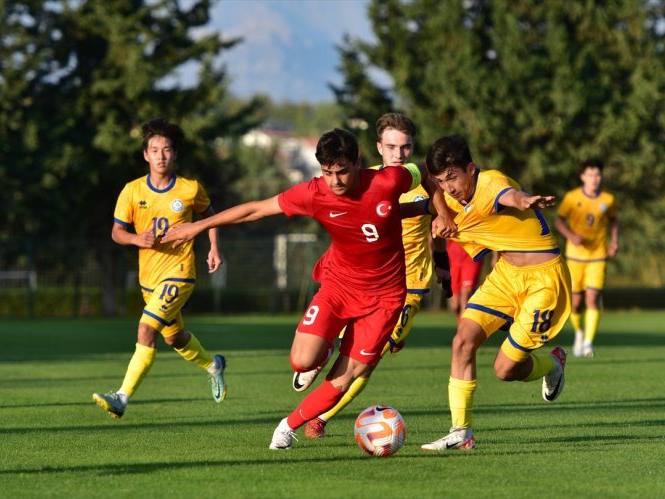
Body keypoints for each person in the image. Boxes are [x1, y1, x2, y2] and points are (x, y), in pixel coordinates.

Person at [162, 128, 450, 450]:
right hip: (339, 285)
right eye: (328, 173)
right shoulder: (314, 193)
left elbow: (427, 171)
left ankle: (287, 427)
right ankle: (324, 350)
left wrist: (440, 210)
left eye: (342, 171)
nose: (336, 181)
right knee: (301, 360)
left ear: (358, 163)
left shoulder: (388, 180)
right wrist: (199, 226)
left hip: (385, 298)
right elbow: (256, 209)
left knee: (347, 376)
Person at [302, 112, 451, 439]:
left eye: (407, 147)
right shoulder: (360, 180)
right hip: (359, 281)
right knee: (355, 354)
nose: (400, 154)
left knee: (371, 358)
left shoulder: (421, 181)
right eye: (393, 147)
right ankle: (323, 355)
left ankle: (321, 417)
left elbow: (438, 224)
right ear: (379, 147)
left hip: (408, 285)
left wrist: (443, 263)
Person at [418, 133, 571, 452]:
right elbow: (426, 183)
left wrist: (525, 201)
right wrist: (442, 253)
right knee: (462, 341)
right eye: (442, 182)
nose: (449, 187)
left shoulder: (490, 183)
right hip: (506, 275)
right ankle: (461, 432)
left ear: (470, 169)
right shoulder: (446, 197)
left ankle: (553, 365)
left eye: (453, 178)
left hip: (544, 281)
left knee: (505, 370)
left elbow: (509, 195)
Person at [92, 117, 227, 419]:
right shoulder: (132, 191)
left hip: (180, 273)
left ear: (175, 154)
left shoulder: (189, 189)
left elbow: (210, 216)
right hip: (148, 280)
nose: (161, 156)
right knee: (174, 338)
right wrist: (136, 239)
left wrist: (214, 247)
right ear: (145, 155)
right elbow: (116, 232)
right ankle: (213, 364)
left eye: (166, 150)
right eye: (155, 150)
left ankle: (121, 398)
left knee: (145, 330)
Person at [554, 158, 619, 358]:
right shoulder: (572, 198)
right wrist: (571, 236)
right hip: (575, 258)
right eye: (590, 174)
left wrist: (614, 241)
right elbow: (558, 220)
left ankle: (589, 343)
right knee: (575, 303)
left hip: (598, 257)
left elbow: (613, 219)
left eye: (597, 174)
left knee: (592, 299)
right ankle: (579, 334)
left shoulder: (608, 199)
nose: (594, 179)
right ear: (583, 176)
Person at [446, 240, 486, 320]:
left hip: (472, 253)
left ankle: (464, 330)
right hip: (453, 255)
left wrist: (495, 255)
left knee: (466, 294)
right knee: (455, 305)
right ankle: (462, 327)